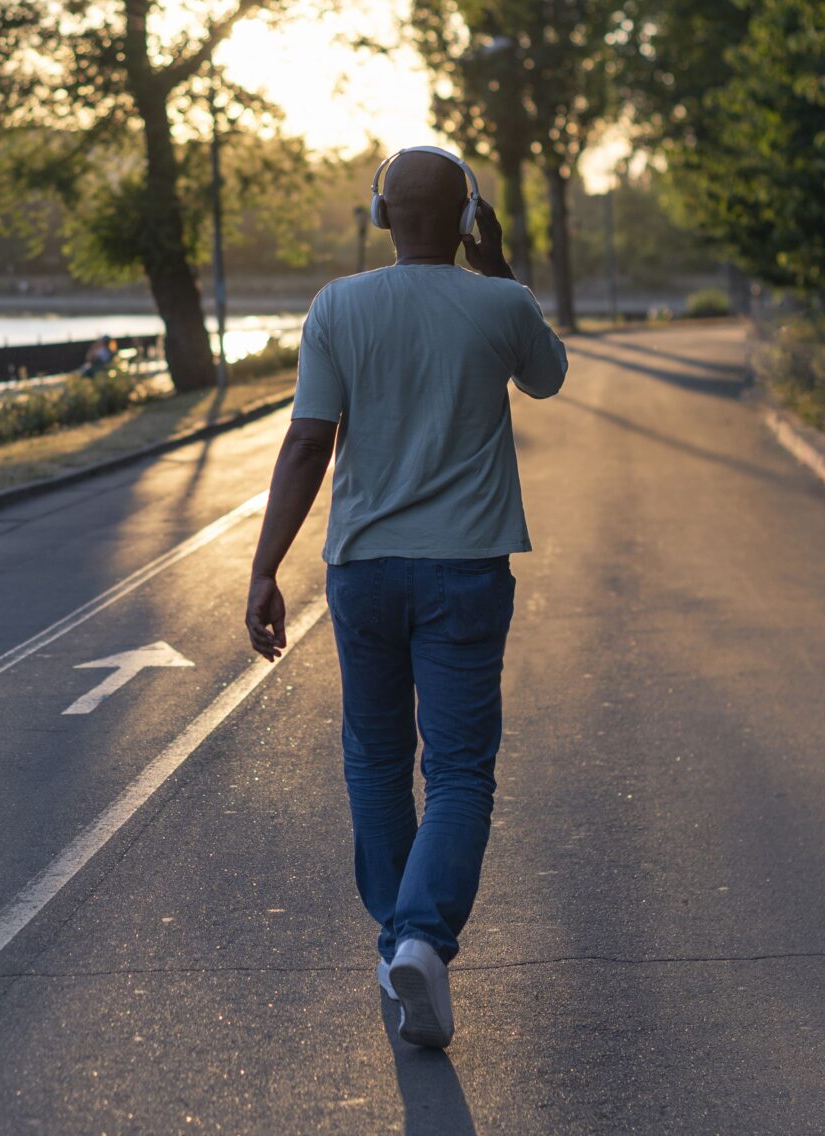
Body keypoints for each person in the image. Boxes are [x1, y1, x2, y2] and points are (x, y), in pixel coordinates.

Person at [243, 146, 567, 1049]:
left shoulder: (338, 306)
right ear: (466, 221)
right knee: (459, 770)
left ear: (380, 215)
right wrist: (496, 262)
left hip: (364, 571)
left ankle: (399, 947)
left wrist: (266, 568)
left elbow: (309, 443)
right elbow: (545, 378)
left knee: (378, 761)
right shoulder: (500, 302)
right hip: (465, 569)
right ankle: (421, 937)